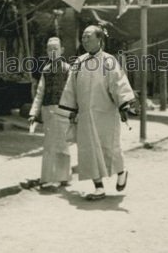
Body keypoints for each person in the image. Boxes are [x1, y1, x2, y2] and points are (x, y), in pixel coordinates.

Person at [58, 25, 136, 201]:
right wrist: (71, 110)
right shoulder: (78, 62)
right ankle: (98, 187)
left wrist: (124, 104)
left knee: (110, 147)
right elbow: (70, 88)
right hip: (85, 116)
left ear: (99, 40)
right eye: (83, 37)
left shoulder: (109, 61)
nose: (84, 40)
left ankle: (121, 172)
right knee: (87, 150)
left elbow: (119, 84)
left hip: (106, 114)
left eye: (88, 37)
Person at [25, 37, 72, 191]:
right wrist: (34, 112)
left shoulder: (67, 69)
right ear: (46, 51)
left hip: (63, 110)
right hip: (48, 110)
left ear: (61, 50)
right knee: (49, 145)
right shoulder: (45, 71)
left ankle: (63, 177)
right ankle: (48, 177)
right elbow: (40, 92)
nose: (52, 51)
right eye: (49, 49)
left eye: (55, 49)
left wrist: (74, 111)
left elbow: (73, 92)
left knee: (62, 144)